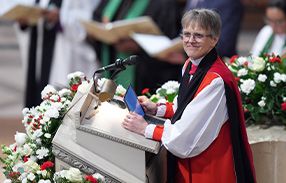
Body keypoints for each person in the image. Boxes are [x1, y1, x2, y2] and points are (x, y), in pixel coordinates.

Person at [122, 9, 256, 182]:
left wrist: (144, 128)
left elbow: (184, 138)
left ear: (214, 40)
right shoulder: (192, 65)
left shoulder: (215, 80)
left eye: (198, 36)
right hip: (192, 164)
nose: (190, 41)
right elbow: (186, 107)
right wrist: (158, 109)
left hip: (209, 169)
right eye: (186, 34)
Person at [91, 0, 186, 93]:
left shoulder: (164, 3)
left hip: (142, 76)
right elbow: (97, 17)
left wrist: (139, 46)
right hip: (112, 60)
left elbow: (168, 43)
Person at [49, 0, 101, 87]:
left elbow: (92, 14)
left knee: (83, 90)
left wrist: (61, 16)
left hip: (84, 49)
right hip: (64, 43)